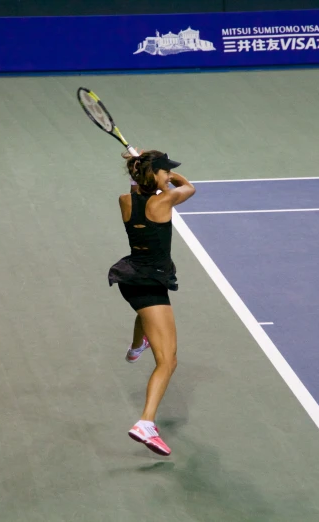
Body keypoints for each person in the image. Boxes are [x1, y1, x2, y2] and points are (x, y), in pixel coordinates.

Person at [108, 149, 196, 456]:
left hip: (129, 280)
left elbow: (138, 186)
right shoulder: (164, 200)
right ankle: (146, 423)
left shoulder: (125, 201)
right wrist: (170, 178)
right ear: (155, 175)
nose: (169, 175)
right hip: (150, 286)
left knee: (145, 316)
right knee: (168, 361)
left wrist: (145, 167)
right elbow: (189, 188)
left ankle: (136, 347)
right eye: (165, 171)